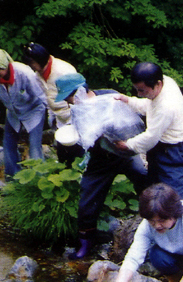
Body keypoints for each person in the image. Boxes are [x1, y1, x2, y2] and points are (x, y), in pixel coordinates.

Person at [55, 73, 148, 259]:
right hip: (100, 159)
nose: (68, 102)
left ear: (80, 91)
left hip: (124, 153)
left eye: (69, 97)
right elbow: (82, 138)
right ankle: (86, 244)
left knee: (144, 179)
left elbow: (132, 121)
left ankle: (152, 221)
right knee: (87, 198)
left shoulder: (110, 96)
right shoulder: (77, 110)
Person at [114, 62, 183, 199]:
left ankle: (179, 219)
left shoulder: (167, 106)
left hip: (176, 153)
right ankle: (155, 218)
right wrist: (128, 101)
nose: (139, 94)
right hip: (160, 148)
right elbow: (150, 106)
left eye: (142, 90)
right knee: (155, 190)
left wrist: (128, 145)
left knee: (173, 198)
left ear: (157, 84)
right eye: (137, 89)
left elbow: (151, 136)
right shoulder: (166, 82)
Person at [22, 42, 82, 166]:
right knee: (62, 154)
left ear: (40, 59)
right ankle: (66, 180)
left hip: (75, 116)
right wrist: (52, 118)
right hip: (58, 119)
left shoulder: (63, 70)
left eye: (32, 63)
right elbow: (46, 98)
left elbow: (79, 96)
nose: (31, 66)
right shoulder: (38, 76)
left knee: (77, 153)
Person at [0, 49, 46, 179]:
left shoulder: (24, 73)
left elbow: (40, 94)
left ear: (5, 66)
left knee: (34, 146)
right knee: (8, 143)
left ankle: (39, 179)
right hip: (13, 112)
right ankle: (12, 178)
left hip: (33, 110)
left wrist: (50, 115)